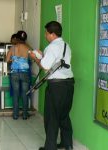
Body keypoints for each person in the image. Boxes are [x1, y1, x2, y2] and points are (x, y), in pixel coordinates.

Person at [34, 21, 74, 150]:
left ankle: (50, 147)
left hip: (56, 86)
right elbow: (56, 61)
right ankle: (67, 144)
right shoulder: (66, 46)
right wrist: (44, 56)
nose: (45, 35)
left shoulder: (51, 47)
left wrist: (35, 58)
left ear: (52, 34)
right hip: (69, 84)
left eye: (46, 33)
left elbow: (45, 67)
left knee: (52, 117)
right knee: (64, 115)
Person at [6, 30, 36, 120]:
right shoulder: (28, 48)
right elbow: (34, 58)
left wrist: (15, 60)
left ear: (17, 38)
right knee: (24, 94)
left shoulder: (12, 48)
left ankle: (15, 115)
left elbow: (7, 60)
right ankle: (25, 115)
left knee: (15, 94)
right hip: (25, 73)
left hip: (14, 73)